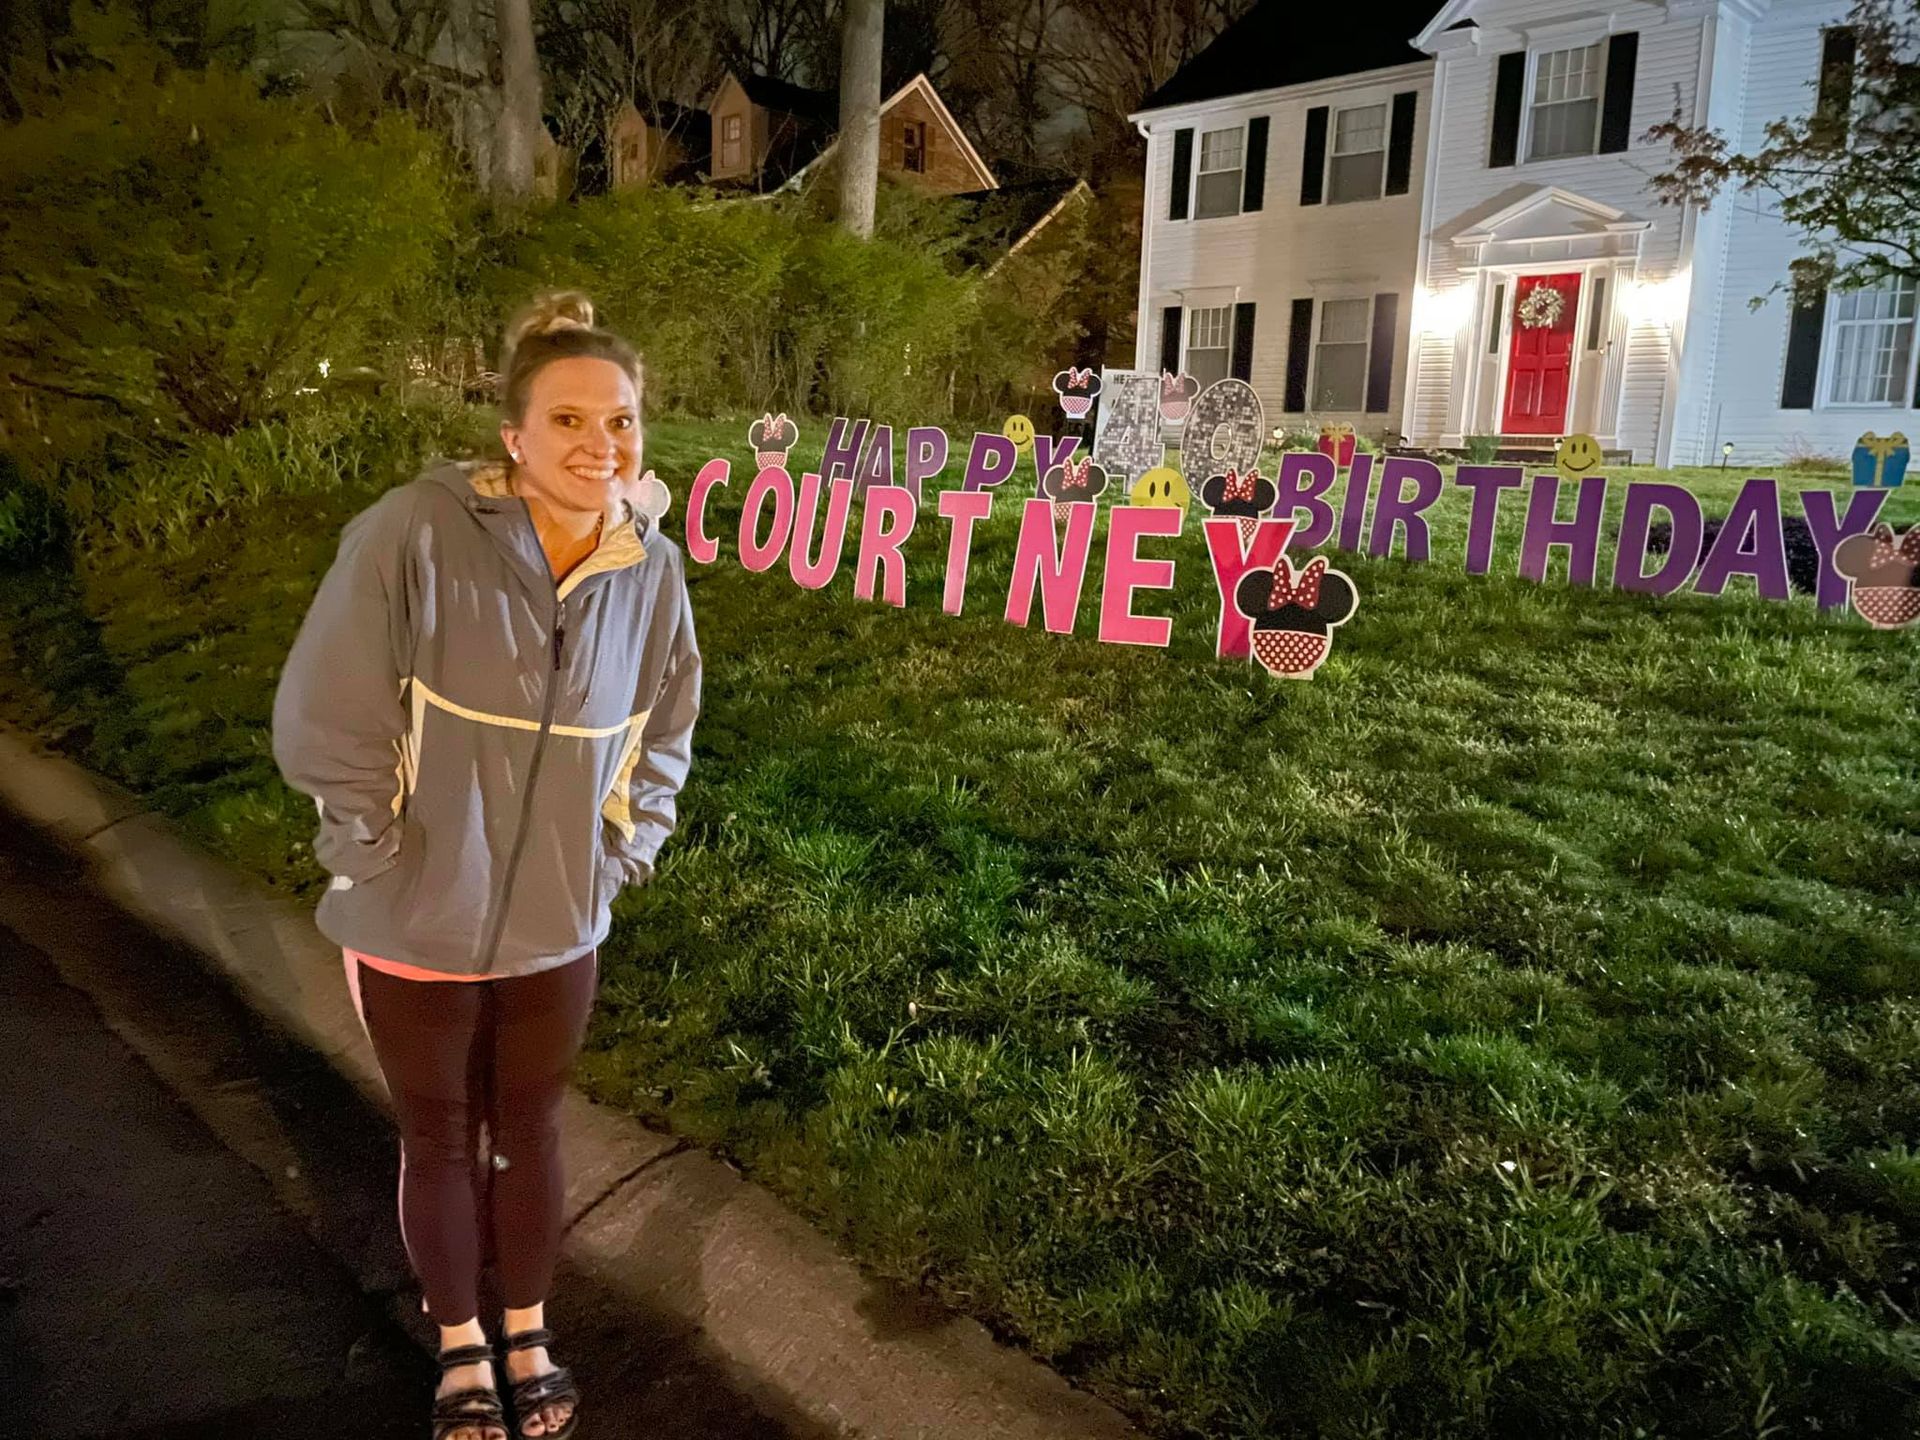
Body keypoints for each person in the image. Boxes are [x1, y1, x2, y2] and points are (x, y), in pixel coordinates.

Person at [272, 290, 700, 1440]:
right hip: (413, 916)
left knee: (534, 1128)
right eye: (568, 420)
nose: (599, 446)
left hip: (562, 919)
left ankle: (528, 1328)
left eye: (619, 423)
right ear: (513, 436)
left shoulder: (649, 568)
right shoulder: (415, 530)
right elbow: (329, 707)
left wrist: (627, 850)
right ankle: (462, 1343)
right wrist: (370, 855)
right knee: (440, 1136)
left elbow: (669, 723)